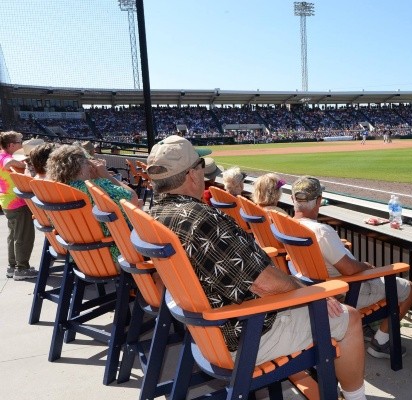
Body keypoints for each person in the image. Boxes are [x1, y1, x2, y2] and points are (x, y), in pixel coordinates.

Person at [146, 135, 368, 400]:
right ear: (192, 174)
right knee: (349, 318)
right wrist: (311, 293)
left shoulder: (157, 213)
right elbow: (266, 285)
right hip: (245, 334)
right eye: (200, 165)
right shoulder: (200, 219)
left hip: (207, 331)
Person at [290, 176, 412, 359]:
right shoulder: (321, 232)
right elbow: (349, 270)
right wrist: (366, 266)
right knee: (409, 288)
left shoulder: (287, 224)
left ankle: (369, 330)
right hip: (346, 292)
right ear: (318, 201)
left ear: (293, 199)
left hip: (318, 289)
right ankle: (380, 343)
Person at [46, 144, 139, 262]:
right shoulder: (94, 187)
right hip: (111, 253)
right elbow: (133, 199)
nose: (91, 165)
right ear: (78, 166)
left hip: (77, 255)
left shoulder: (54, 190)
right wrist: (106, 176)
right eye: (87, 162)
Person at [0, 131, 37, 280]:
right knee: (24, 236)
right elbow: (8, 163)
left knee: (14, 236)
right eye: (19, 142)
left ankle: (13, 266)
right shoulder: (6, 158)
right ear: (11, 145)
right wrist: (25, 163)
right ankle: (22, 269)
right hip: (18, 203)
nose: (22, 144)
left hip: (8, 202)